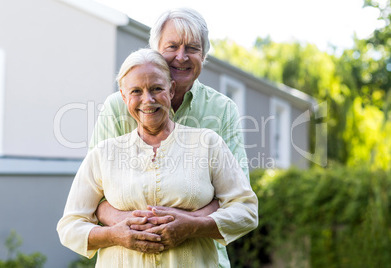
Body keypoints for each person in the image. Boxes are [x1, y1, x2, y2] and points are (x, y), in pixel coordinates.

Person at [57, 48, 258, 267]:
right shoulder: (104, 153)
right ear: (124, 97)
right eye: (136, 91)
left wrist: (193, 226)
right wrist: (114, 235)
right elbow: (69, 226)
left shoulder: (208, 144)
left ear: (171, 90)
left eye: (156, 88)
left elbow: (246, 209)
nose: (148, 99)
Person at [91, 8, 251, 267]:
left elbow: (235, 197)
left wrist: (190, 226)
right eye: (173, 46)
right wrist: (135, 226)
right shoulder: (117, 108)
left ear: (204, 55)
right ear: (155, 51)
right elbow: (95, 197)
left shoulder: (222, 110)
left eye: (192, 48)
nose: (181, 56)